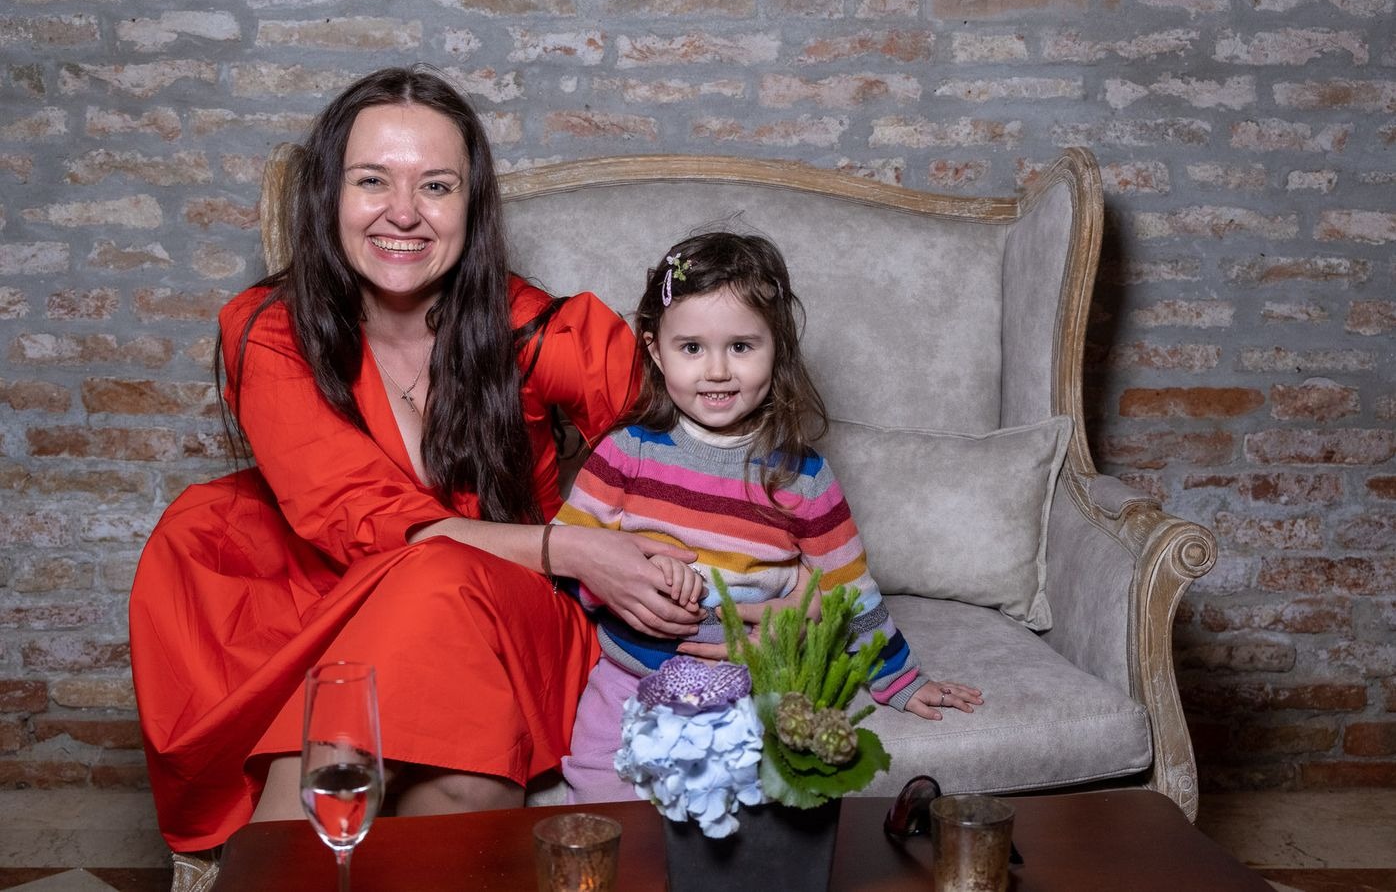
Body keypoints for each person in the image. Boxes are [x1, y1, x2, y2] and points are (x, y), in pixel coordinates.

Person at [127, 65, 702, 884]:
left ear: (472, 204)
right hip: (333, 600)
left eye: (436, 185)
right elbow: (365, 519)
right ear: (329, 195)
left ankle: (271, 858)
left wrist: (674, 540)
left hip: (514, 614)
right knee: (461, 767)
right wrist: (574, 547)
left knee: (437, 584)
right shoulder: (270, 331)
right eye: (372, 180)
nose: (404, 212)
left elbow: (697, 422)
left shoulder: (532, 327)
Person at [554, 231, 984, 802]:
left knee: (730, 814)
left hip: (749, 683)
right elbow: (568, 556)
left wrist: (900, 680)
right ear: (656, 351)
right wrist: (638, 572)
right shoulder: (624, 453)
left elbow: (848, 589)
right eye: (691, 348)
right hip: (629, 676)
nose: (716, 371)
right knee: (599, 798)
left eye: (740, 346)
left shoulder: (803, 478)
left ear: (776, 347)